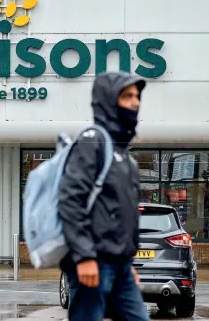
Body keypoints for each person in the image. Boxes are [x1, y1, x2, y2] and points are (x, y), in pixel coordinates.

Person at [58, 71, 149, 321]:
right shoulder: (93, 141)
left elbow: (121, 215)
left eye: (137, 96)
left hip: (121, 268)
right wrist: (85, 256)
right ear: (109, 100)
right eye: (127, 96)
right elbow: (70, 201)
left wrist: (127, 264)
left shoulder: (125, 156)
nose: (136, 102)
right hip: (94, 263)